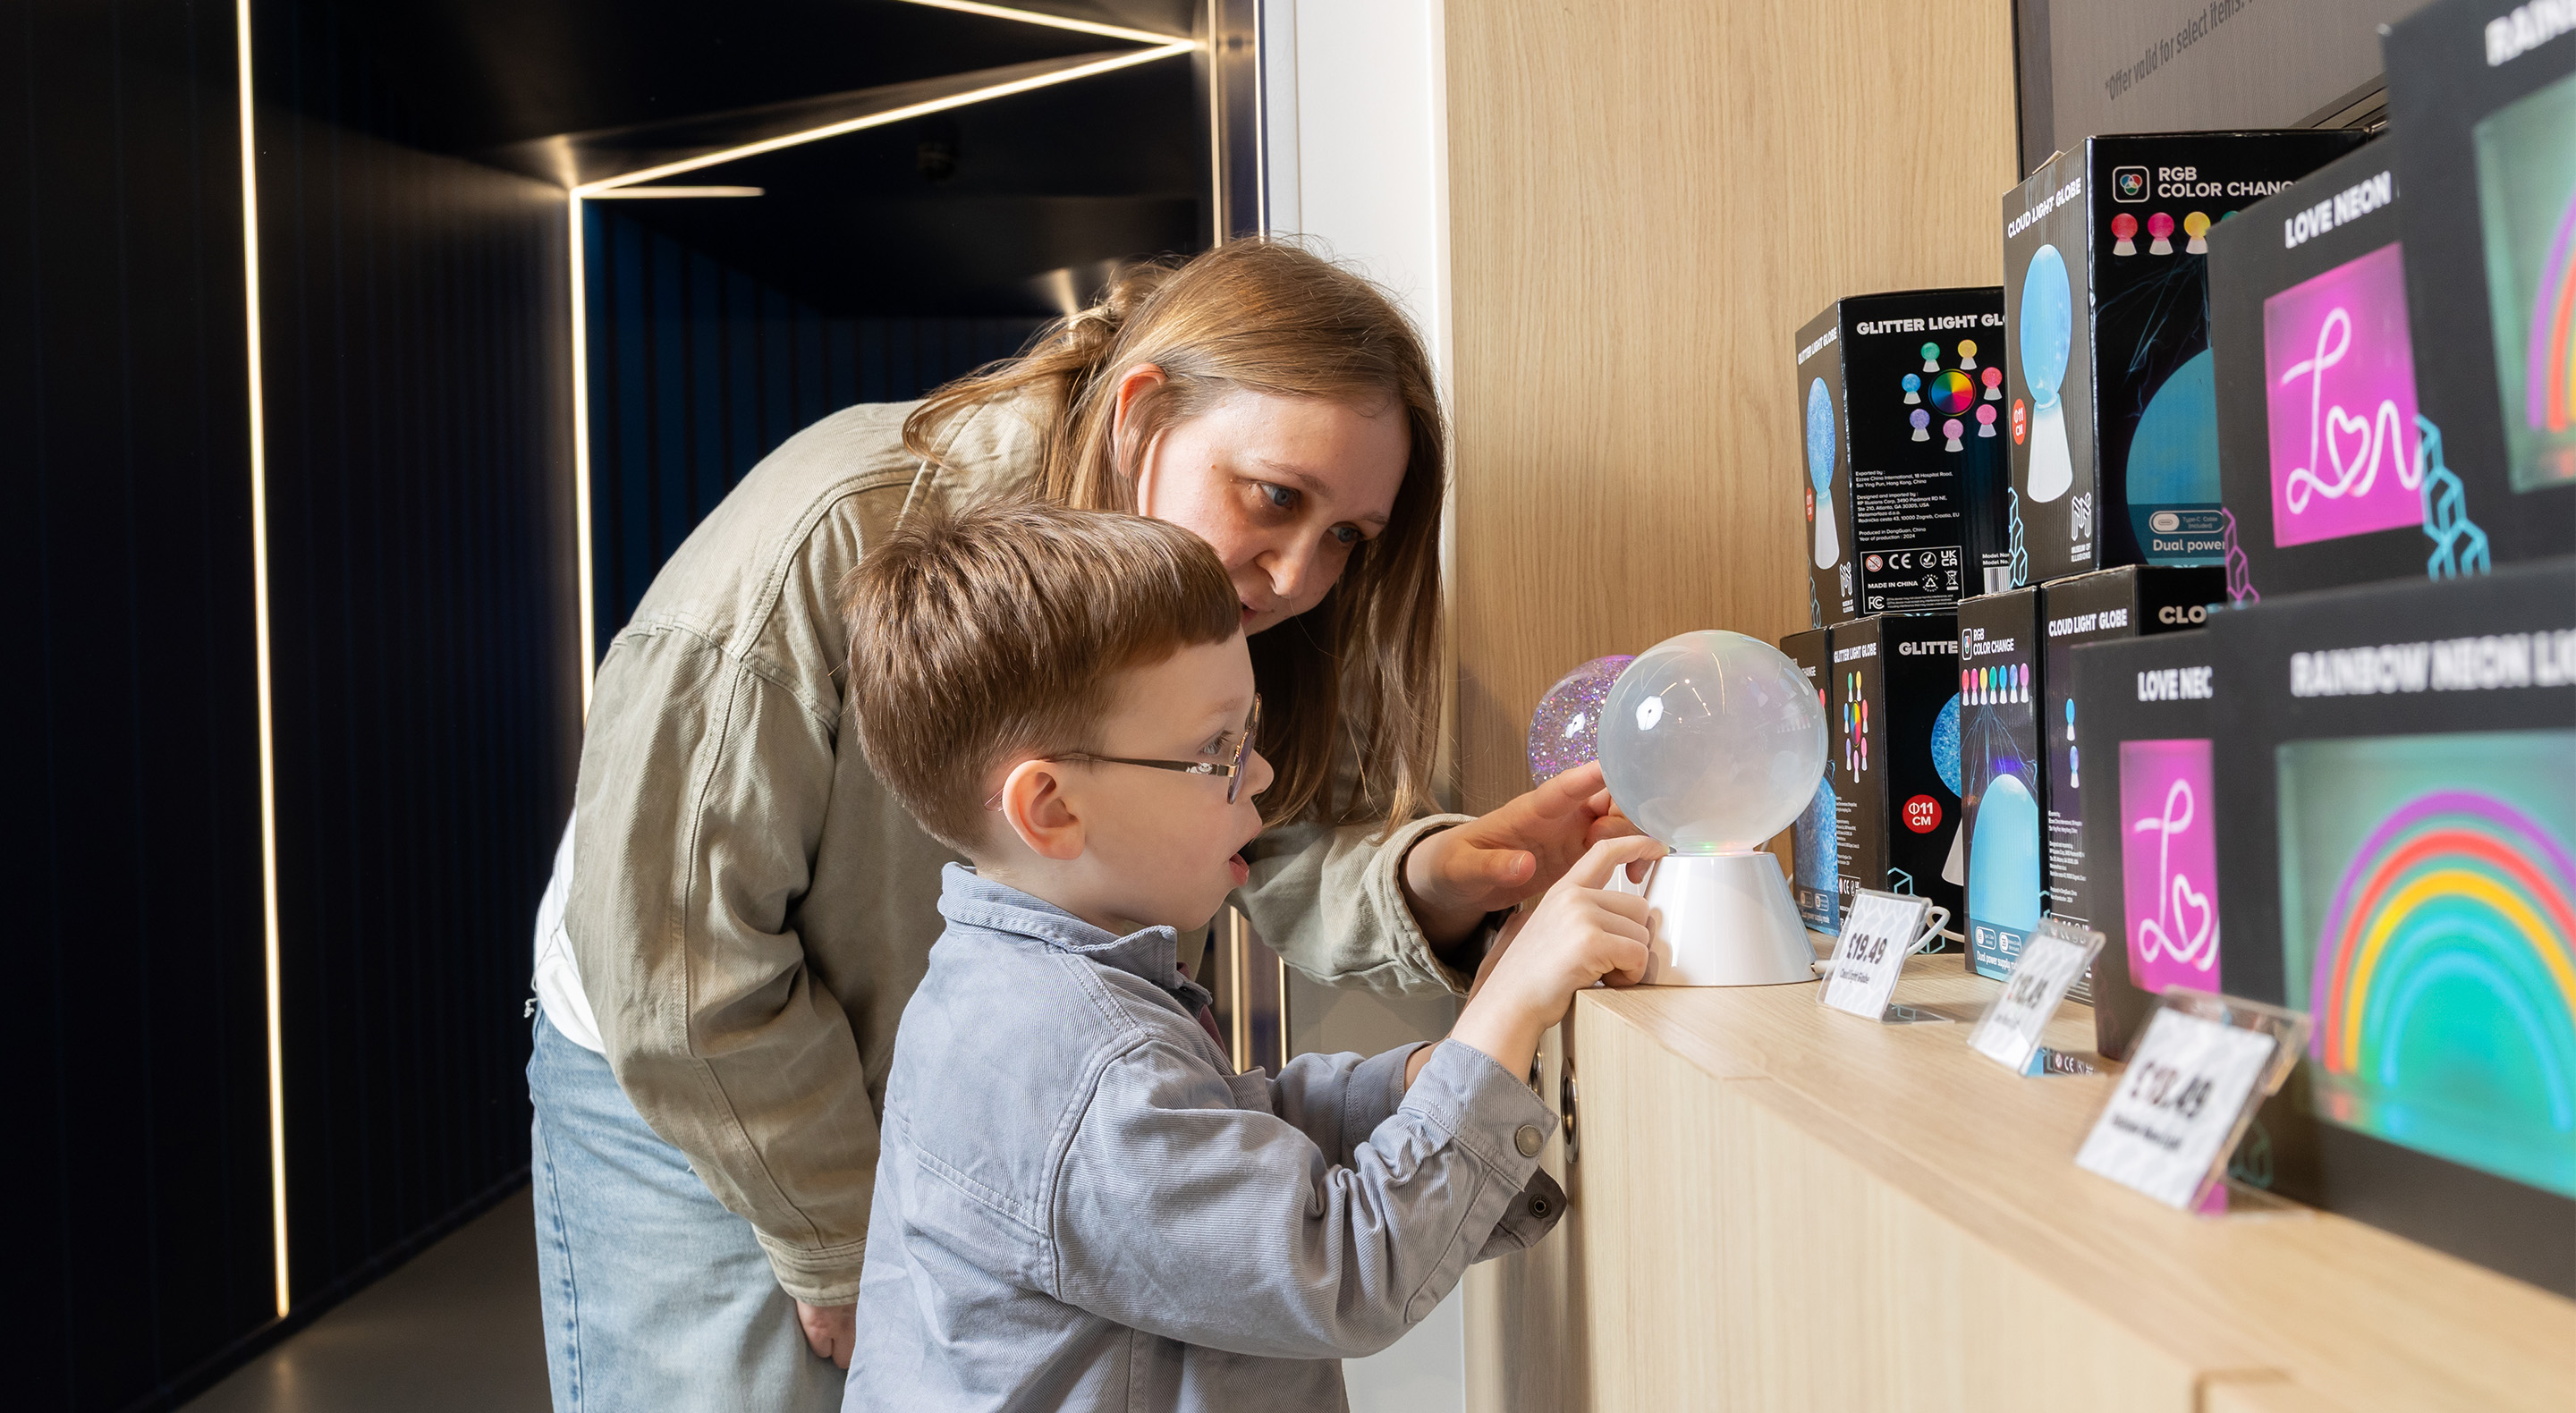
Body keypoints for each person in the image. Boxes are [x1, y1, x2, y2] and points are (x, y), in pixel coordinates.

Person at [527, 241, 1634, 1412]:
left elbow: (1261, 829)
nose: (1301, 575)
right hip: (702, 1055)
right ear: (1144, 416)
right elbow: (677, 957)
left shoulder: (1224, 632)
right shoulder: (841, 531)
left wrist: (1435, 877)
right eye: (1275, 498)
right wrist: (850, 1244)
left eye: (1349, 538)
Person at [840, 502, 1658, 1412]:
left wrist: (1434, 1071)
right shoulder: (1090, 1062)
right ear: (1054, 809)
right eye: (1218, 750)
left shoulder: (1005, 985)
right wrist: (1504, 1007)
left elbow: (1228, 1130)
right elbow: (1344, 1270)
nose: (1260, 774)